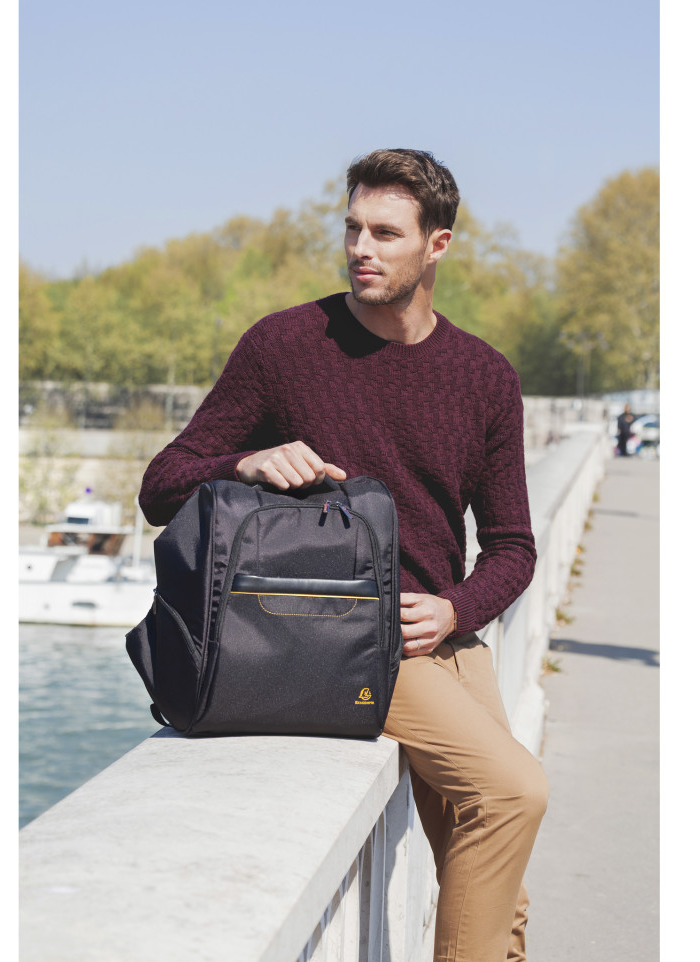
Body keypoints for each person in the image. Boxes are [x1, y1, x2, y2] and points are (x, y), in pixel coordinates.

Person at [139, 148, 549, 962]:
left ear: (437, 245)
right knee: (513, 792)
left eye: (386, 233)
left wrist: (457, 608)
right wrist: (245, 462)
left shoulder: (483, 376)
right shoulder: (285, 346)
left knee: (504, 895)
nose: (362, 248)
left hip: (443, 637)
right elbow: (162, 484)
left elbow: (512, 546)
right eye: (353, 228)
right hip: (342, 639)